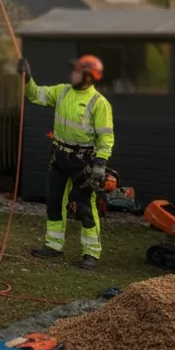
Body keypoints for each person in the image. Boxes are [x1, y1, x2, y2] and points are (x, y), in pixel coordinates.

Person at [19, 54, 115, 270]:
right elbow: (35, 95)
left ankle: (91, 253)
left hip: (84, 161)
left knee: (84, 207)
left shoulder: (99, 103)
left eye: (77, 71)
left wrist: (100, 164)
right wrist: (27, 77)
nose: (72, 74)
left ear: (89, 77)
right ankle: (53, 245)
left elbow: (106, 137)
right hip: (60, 156)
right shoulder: (62, 91)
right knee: (54, 202)